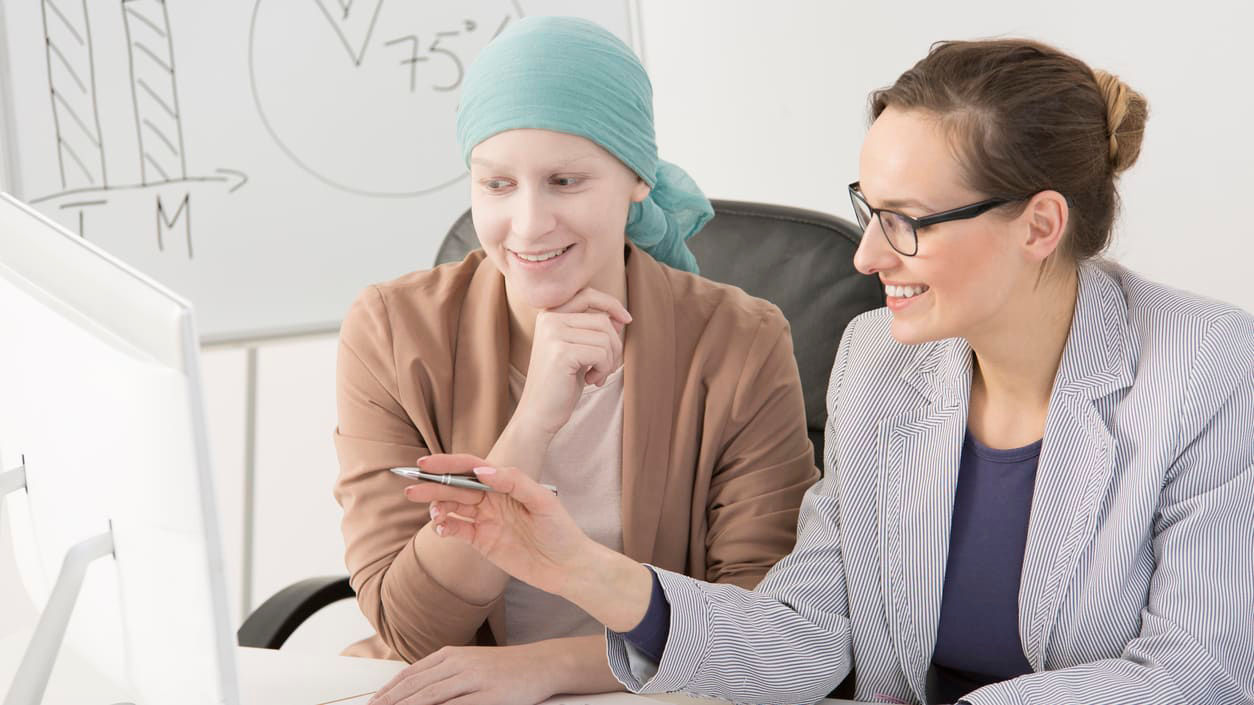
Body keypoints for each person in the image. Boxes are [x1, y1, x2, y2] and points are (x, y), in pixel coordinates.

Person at [403, 39, 1254, 705]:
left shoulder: (1208, 368)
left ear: (1039, 225)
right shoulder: (878, 362)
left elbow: (1199, 671)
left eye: (905, 220)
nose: (866, 253)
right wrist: (578, 569)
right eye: (867, 209)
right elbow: (808, 634)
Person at [332, 16, 820, 705]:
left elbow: (757, 628)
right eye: (497, 185)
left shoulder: (741, 341)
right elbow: (412, 627)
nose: (528, 224)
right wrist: (533, 420)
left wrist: (550, 666)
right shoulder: (390, 329)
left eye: (565, 180)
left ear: (637, 180)